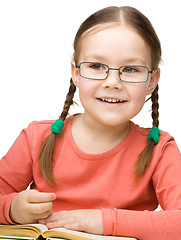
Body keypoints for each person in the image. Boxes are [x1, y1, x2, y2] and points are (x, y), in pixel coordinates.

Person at [0, 5, 181, 240]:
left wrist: (104, 221)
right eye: (96, 66)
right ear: (75, 72)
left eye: (130, 69)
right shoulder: (36, 137)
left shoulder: (160, 150)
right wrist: (12, 209)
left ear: (151, 81)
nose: (113, 82)